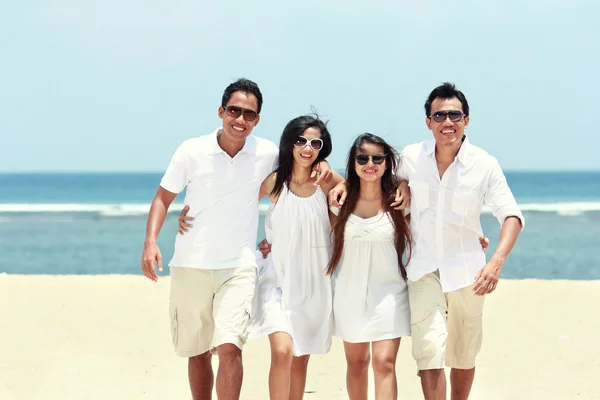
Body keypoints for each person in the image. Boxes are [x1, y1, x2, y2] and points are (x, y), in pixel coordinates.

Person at [140, 78, 333, 400]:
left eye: (249, 114)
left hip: (239, 266)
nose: (240, 119)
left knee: (230, 347)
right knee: (198, 351)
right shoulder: (192, 150)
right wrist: (150, 242)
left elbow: (300, 166)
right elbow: (163, 197)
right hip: (191, 263)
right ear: (221, 111)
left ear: (257, 119)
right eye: (234, 110)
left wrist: (323, 160)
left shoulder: (267, 152)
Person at [330, 82, 524, 400]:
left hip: (469, 272)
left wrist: (496, 262)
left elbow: (511, 216)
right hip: (423, 270)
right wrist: (348, 182)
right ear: (428, 122)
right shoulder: (412, 156)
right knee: (429, 351)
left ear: (467, 120)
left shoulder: (485, 164)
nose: (447, 121)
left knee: (463, 353)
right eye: (440, 115)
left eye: (454, 114)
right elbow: (375, 175)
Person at [328, 133, 412, 400]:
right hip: (349, 295)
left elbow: (432, 227)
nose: (370, 163)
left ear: (387, 162)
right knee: (357, 364)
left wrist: (473, 238)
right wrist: (269, 244)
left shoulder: (400, 202)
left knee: (384, 362)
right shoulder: (339, 202)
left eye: (377, 157)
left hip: (390, 293)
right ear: (353, 162)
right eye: (362, 157)